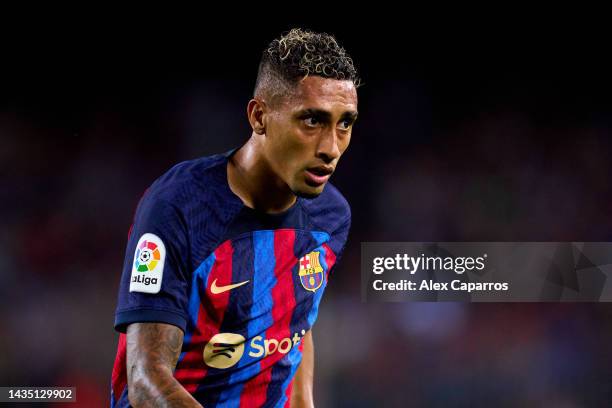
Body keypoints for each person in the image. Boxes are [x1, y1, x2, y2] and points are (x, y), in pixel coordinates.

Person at [110, 27, 359, 407]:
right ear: (259, 116)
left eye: (345, 123)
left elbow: (294, 327)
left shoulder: (329, 217)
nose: (331, 147)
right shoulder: (179, 207)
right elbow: (147, 382)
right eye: (312, 120)